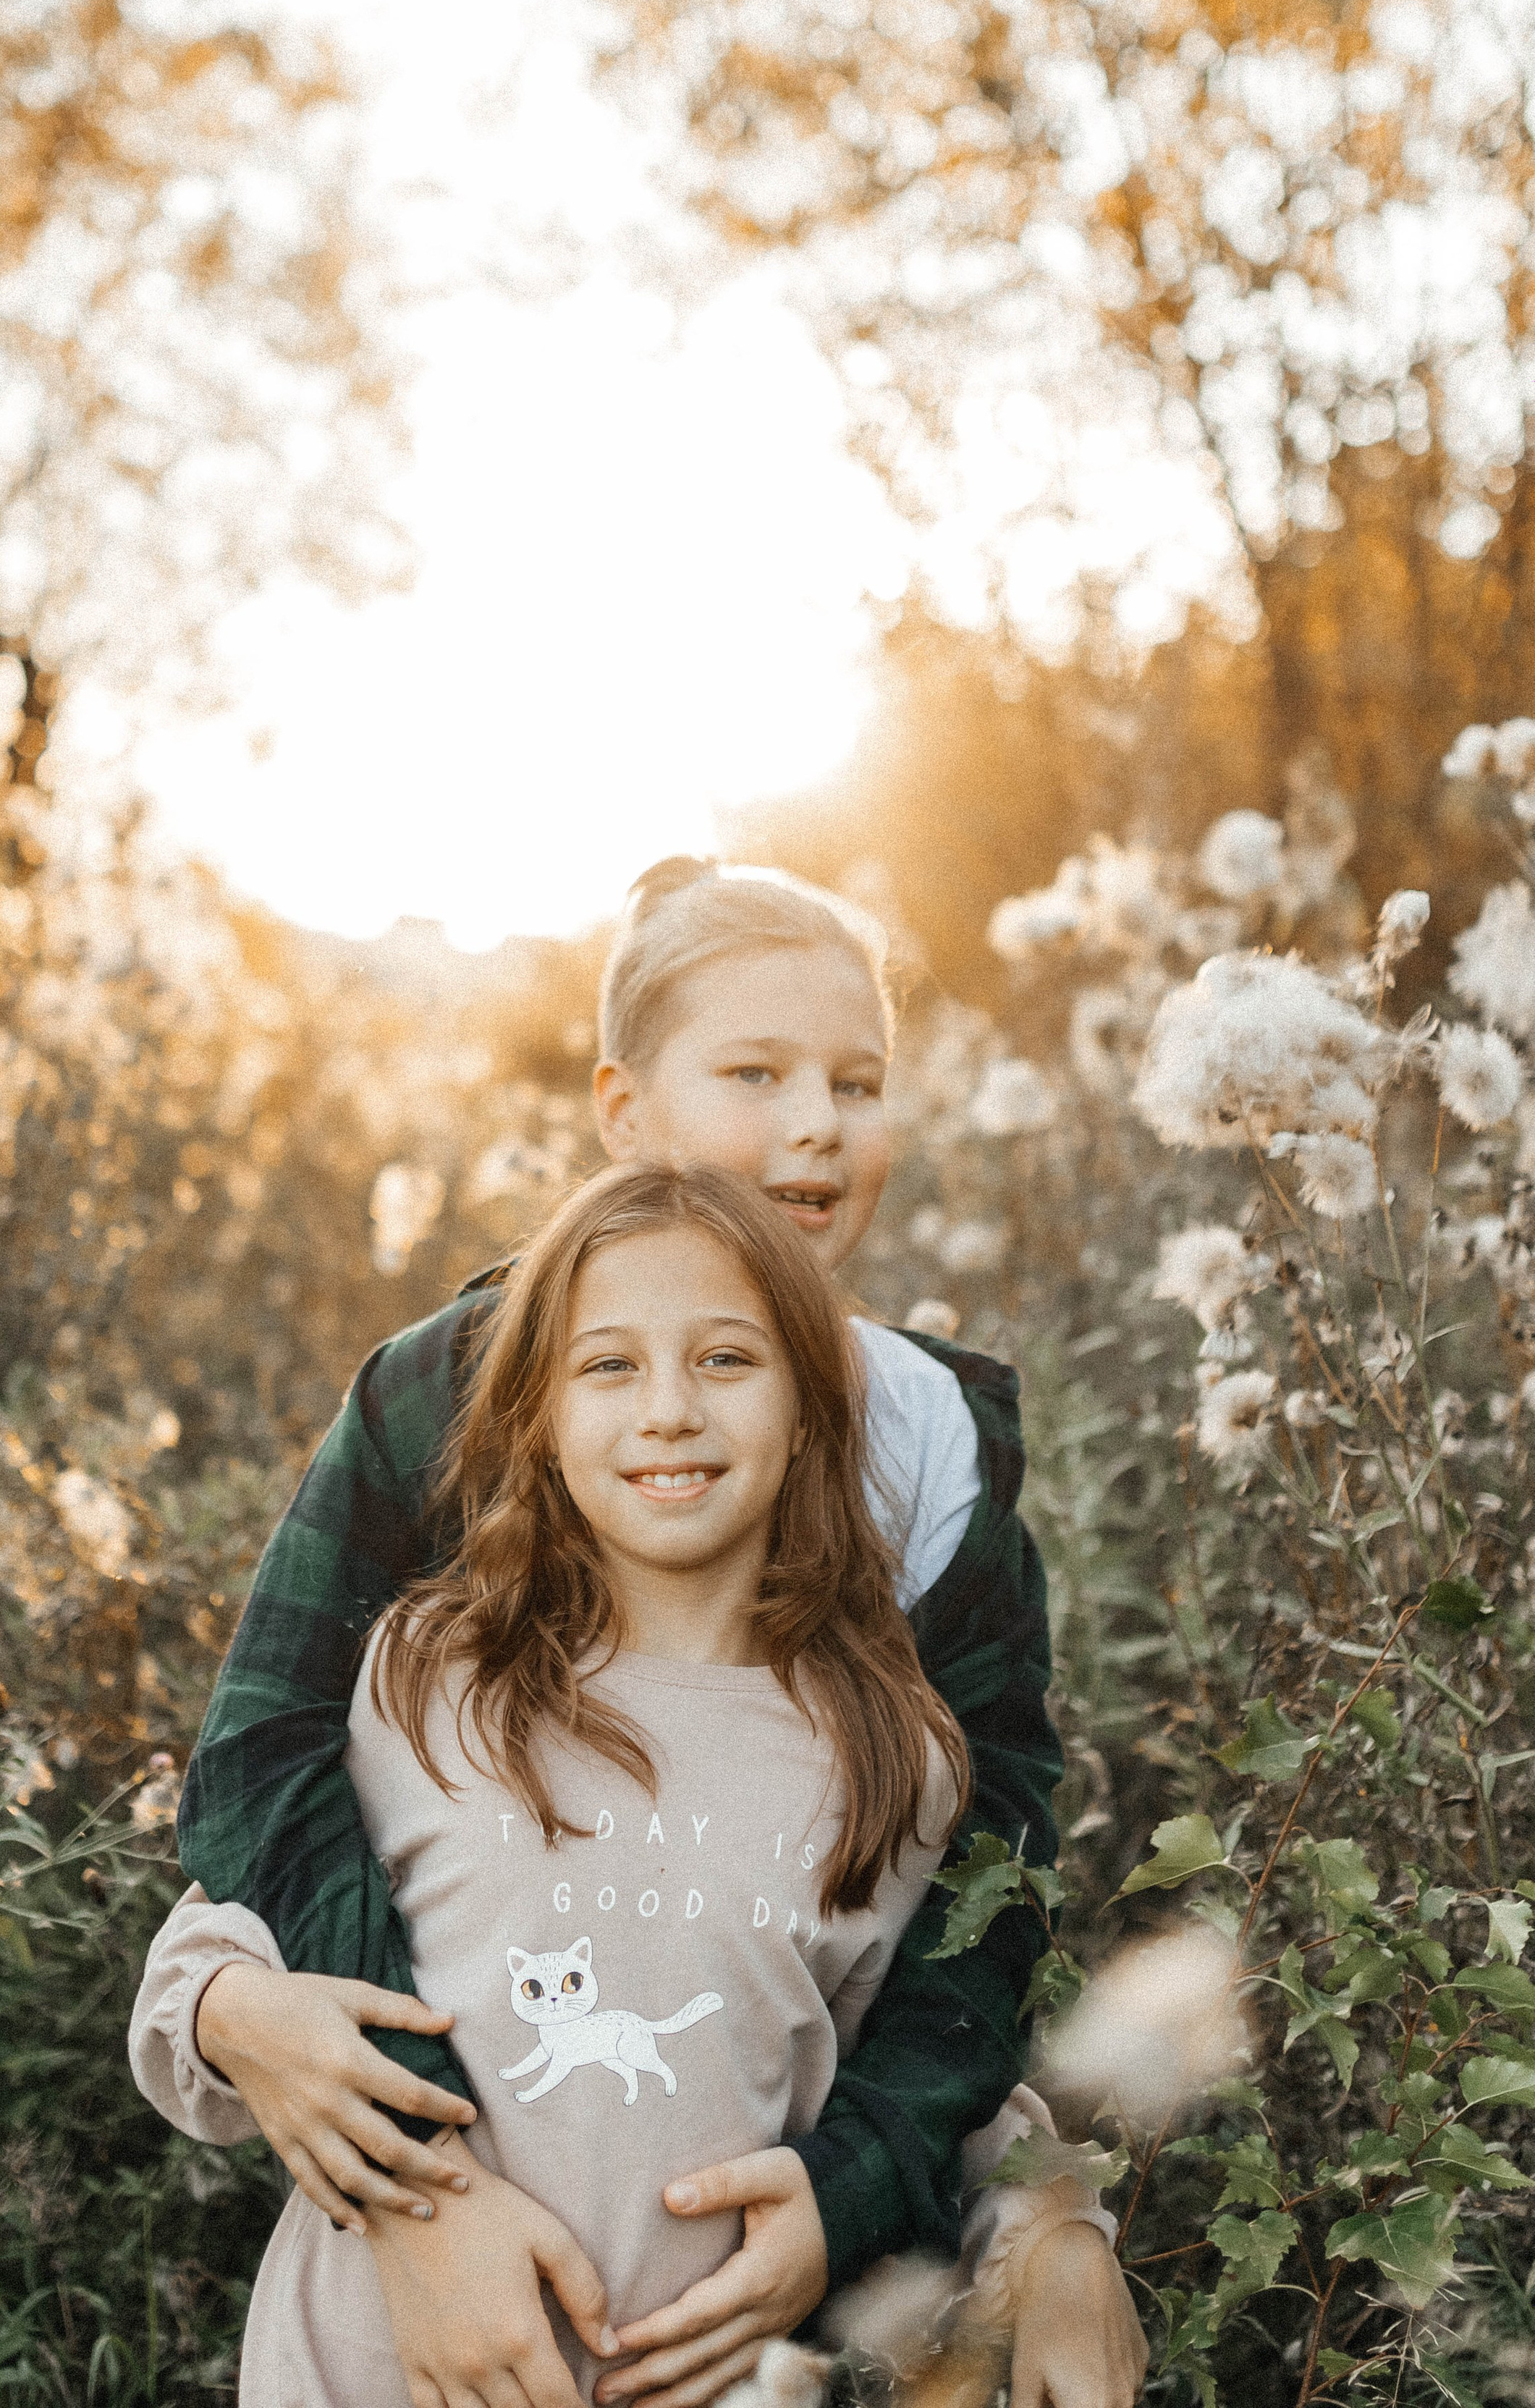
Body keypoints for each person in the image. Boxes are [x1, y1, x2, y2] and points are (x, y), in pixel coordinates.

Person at [170, 861, 1145, 2406]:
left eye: (855, 1081)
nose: (813, 1121)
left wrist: (869, 2180)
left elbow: (980, 1878)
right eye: (752, 1075)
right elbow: (267, 1763)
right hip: (422, 2277)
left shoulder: (931, 1451)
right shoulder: (457, 1393)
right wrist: (417, 2168)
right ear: (624, 1115)